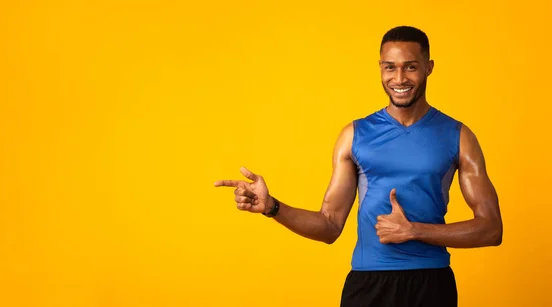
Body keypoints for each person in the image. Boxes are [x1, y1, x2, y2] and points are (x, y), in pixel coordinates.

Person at [213, 25, 503, 307]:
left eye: (410, 67)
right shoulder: (354, 135)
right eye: (389, 67)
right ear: (380, 68)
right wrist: (272, 207)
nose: (399, 78)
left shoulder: (458, 136)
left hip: (431, 284)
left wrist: (414, 230)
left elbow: (491, 229)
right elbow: (329, 225)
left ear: (429, 67)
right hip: (369, 284)